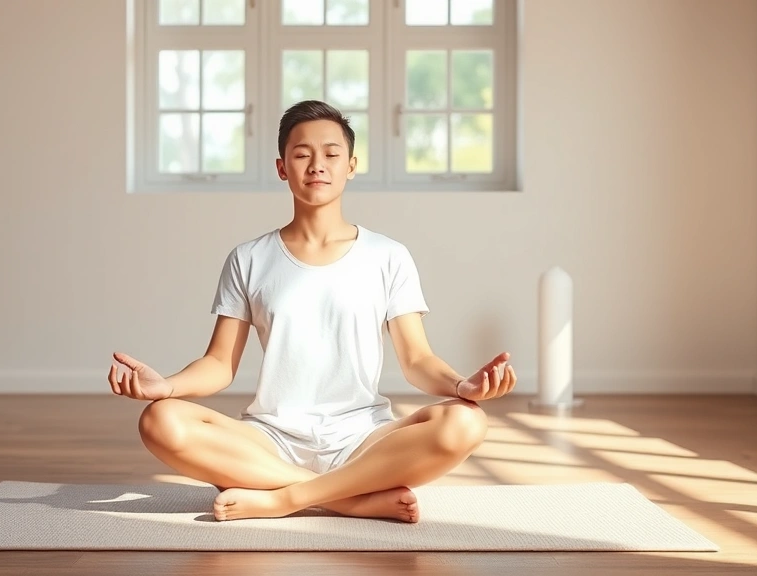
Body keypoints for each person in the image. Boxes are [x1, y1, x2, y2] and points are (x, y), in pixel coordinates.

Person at [107, 100, 517, 523]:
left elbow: (417, 360)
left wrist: (461, 385)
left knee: (466, 422)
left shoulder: (388, 256)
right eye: (302, 155)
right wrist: (166, 387)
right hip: (270, 439)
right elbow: (218, 364)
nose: (317, 165)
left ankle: (283, 497)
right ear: (283, 167)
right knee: (160, 420)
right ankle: (347, 499)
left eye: (331, 154)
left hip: (363, 438)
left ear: (351, 166)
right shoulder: (249, 258)